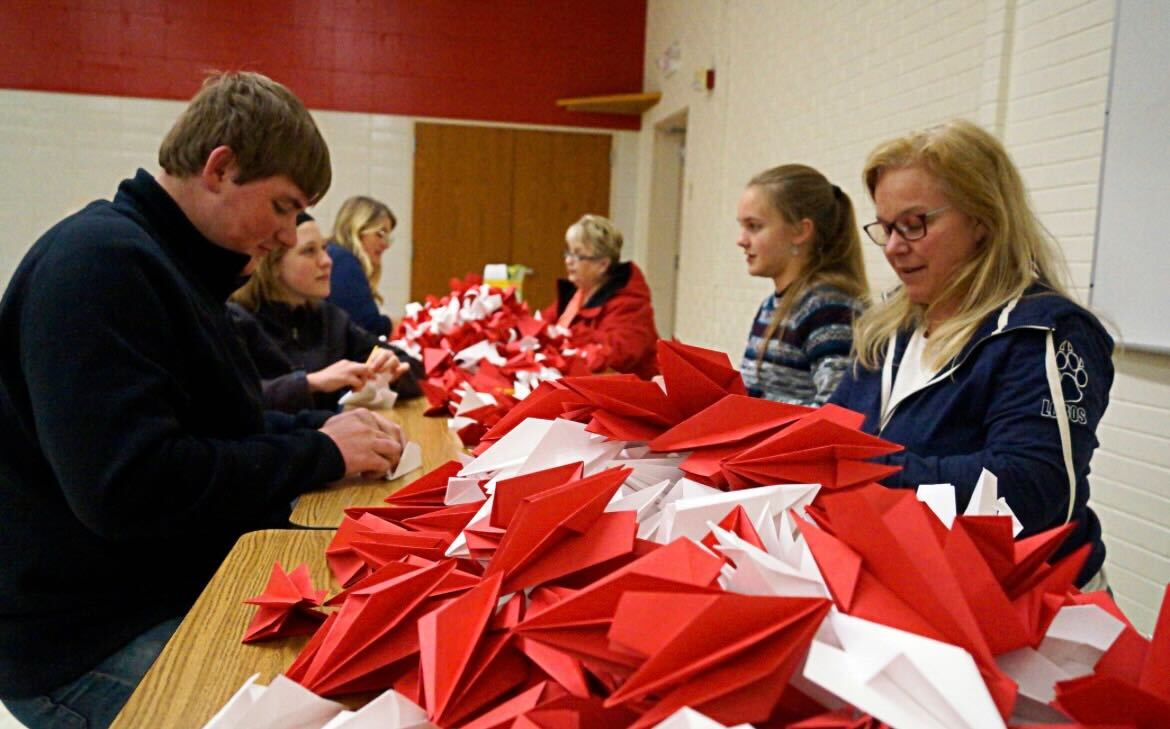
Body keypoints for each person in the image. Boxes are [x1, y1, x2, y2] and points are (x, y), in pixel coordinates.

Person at [0, 72, 407, 728]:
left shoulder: (173, 265)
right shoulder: (100, 265)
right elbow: (129, 487)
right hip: (87, 641)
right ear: (220, 168)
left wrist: (327, 428)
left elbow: (222, 427)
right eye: (283, 207)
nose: (289, 235)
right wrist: (320, 450)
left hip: (157, 595)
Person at [829, 119, 1113, 589]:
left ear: (983, 219)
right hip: (915, 580)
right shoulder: (887, 329)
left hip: (1025, 602)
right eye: (886, 228)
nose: (894, 248)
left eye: (914, 225)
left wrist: (864, 473)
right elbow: (833, 435)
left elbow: (1028, 491)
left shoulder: (1045, 332)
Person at [229, 212, 423, 413]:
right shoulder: (236, 320)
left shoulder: (330, 319)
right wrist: (310, 384)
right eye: (309, 251)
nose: (327, 261)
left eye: (324, 248)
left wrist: (392, 373)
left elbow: (416, 369)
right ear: (271, 263)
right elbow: (229, 400)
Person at [736, 164, 868, 405]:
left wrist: (755, 412)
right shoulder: (772, 305)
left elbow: (836, 412)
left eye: (754, 226)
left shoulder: (829, 309)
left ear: (800, 231)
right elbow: (757, 393)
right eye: (742, 226)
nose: (741, 240)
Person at [543, 214, 660, 379]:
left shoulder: (630, 303)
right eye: (568, 252)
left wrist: (566, 348)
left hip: (627, 389)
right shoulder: (577, 294)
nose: (569, 261)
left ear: (603, 264)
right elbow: (543, 329)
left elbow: (618, 354)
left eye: (578, 255)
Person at [325, 195, 396, 336]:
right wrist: (399, 324)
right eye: (380, 234)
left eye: (388, 236)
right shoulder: (343, 261)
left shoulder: (334, 256)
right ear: (357, 228)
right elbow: (368, 327)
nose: (386, 244)